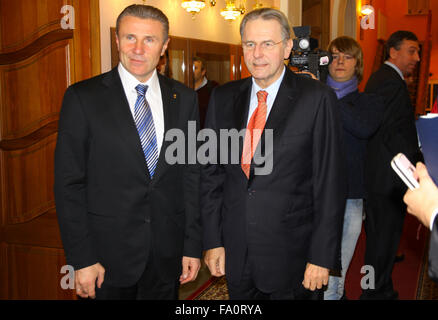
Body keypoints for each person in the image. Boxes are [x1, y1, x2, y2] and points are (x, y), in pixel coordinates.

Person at [54, 4, 202, 300]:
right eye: (130, 37)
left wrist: (191, 246)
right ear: (118, 40)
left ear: (164, 46)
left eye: (149, 39)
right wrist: (82, 258)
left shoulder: (184, 99)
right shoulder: (83, 97)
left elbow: (191, 176)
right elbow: (69, 184)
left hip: (166, 256)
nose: (138, 48)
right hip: (105, 261)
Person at [201, 8, 346, 300]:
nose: (257, 53)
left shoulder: (317, 99)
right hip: (237, 253)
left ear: (287, 47)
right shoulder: (223, 98)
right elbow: (211, 175)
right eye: (249, 44)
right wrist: (213, 241)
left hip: (294, 256)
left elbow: (330, 184)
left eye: (268, 43)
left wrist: (321, 257)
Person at [361, 30, 423, 300]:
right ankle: (373, 292)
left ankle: (377, 285)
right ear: (393, 51)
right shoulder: (388, 81)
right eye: (411, 51)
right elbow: (391, 133)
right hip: (387, 178)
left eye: (418, 51)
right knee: (379, 242)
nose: (417, 58)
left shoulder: (388, 79)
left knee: (382, 240)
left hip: (385, 176)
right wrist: (417, 166)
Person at [323, 36, 384, 300]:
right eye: (335, 55)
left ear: (357, 64)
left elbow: (363, 127)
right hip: (314, 195)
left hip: (350, 197)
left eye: (347, 57)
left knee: (336, 271)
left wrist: (325, 97)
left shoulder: (368, 102)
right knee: (315, 267)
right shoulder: (313, 97)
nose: (339, 61)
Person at [193, 56, 218, 128]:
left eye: (195, 68)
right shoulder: (184, 88)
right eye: (190, 68)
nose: (191, 71)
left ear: (203, 72)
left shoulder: (213, 89)